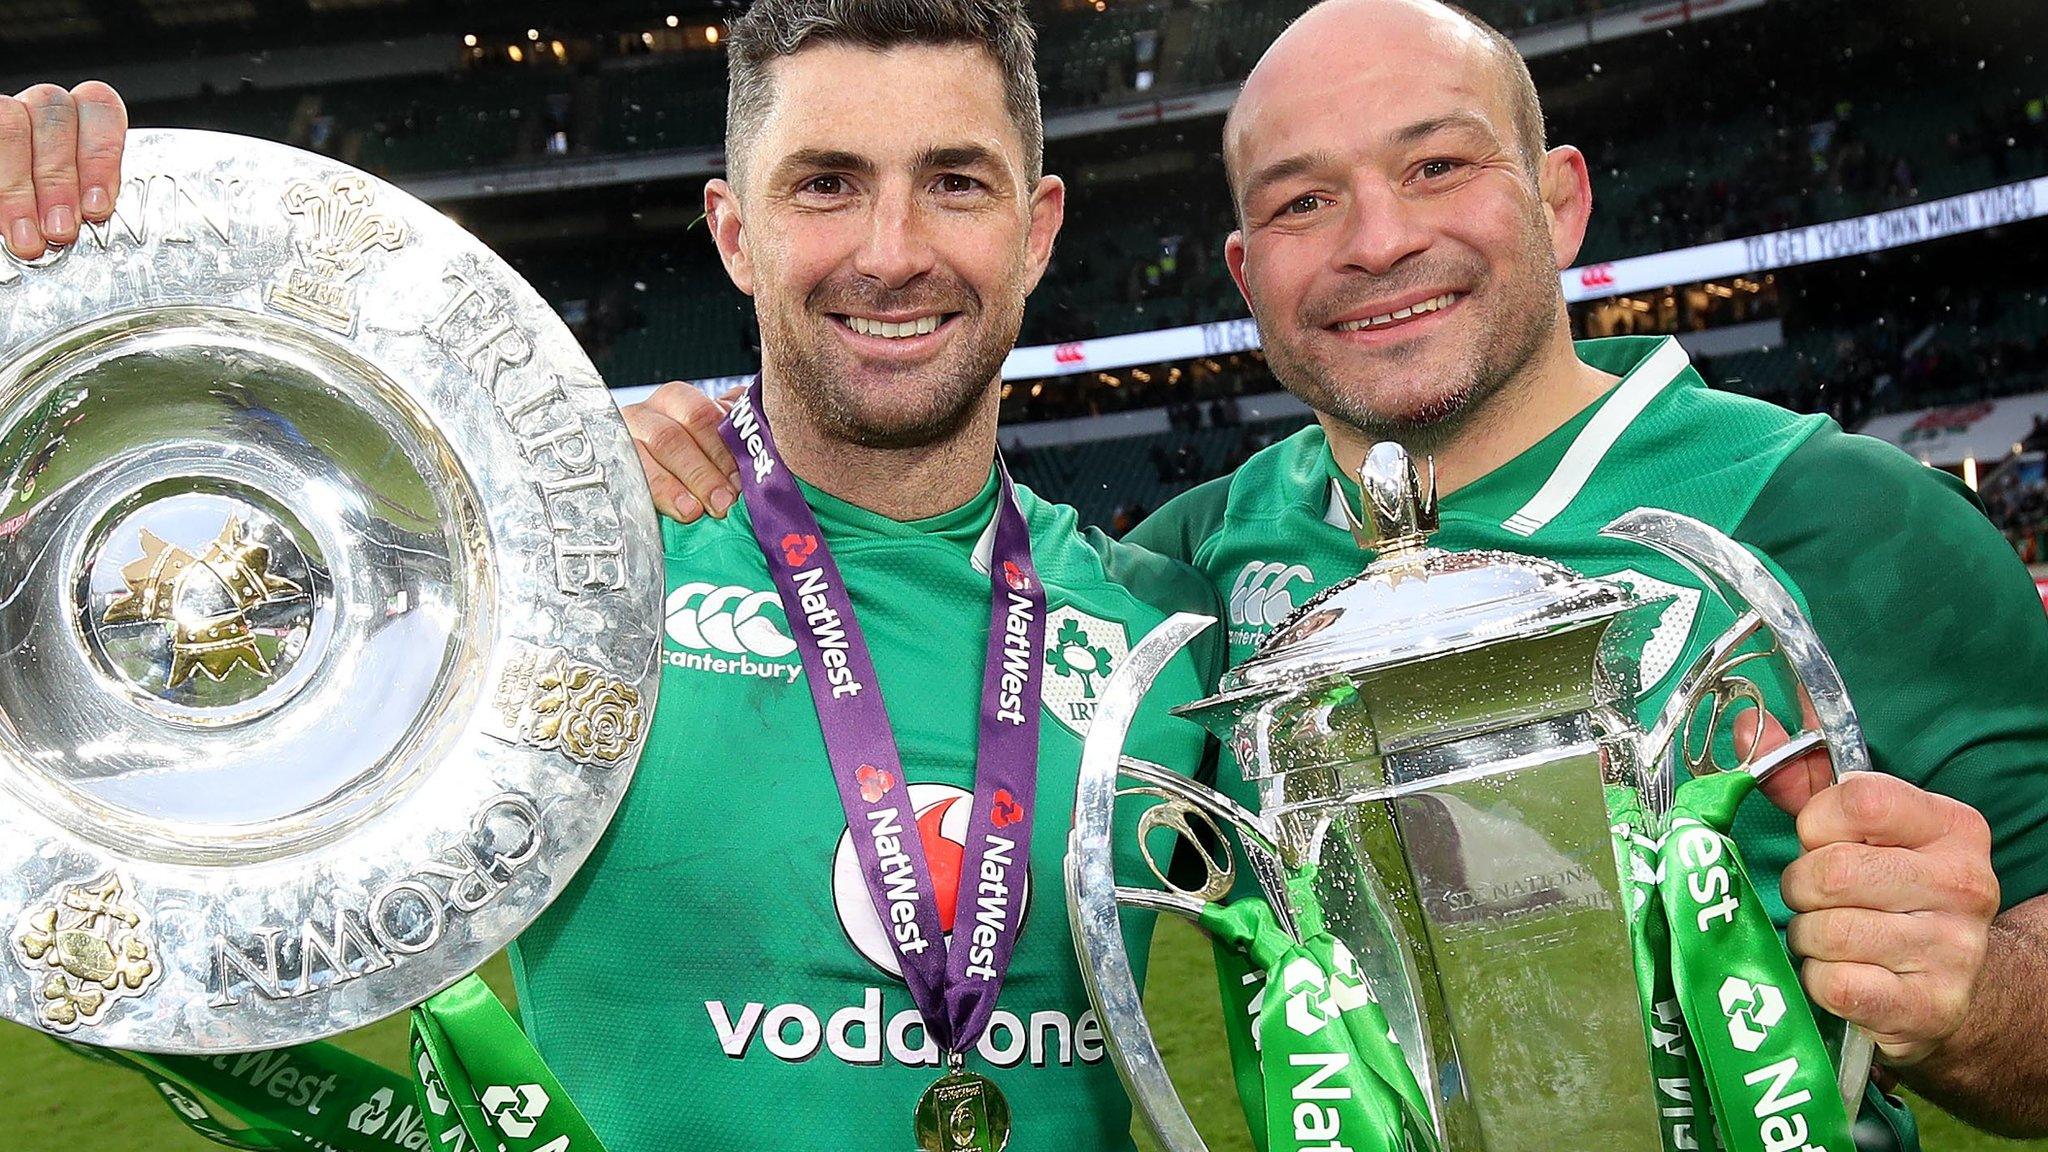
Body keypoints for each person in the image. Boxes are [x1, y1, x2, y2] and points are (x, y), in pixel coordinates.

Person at [570, 0, 2048, 1140]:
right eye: (1300, 201)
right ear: (1244, 271)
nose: (1378, 240)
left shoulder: (1845, 519)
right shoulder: (1191, 581)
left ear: (1563, 200)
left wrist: (1969, 1000)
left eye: (1436, 166)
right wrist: (589, 488)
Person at [0, 4, 1232, 1150]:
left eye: (954, 182)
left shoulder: (1161, 636)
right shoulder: (547, 590)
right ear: (735, 234)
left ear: (1038, 229)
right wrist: (39, 251)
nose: (891, 251)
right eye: (824, 185)